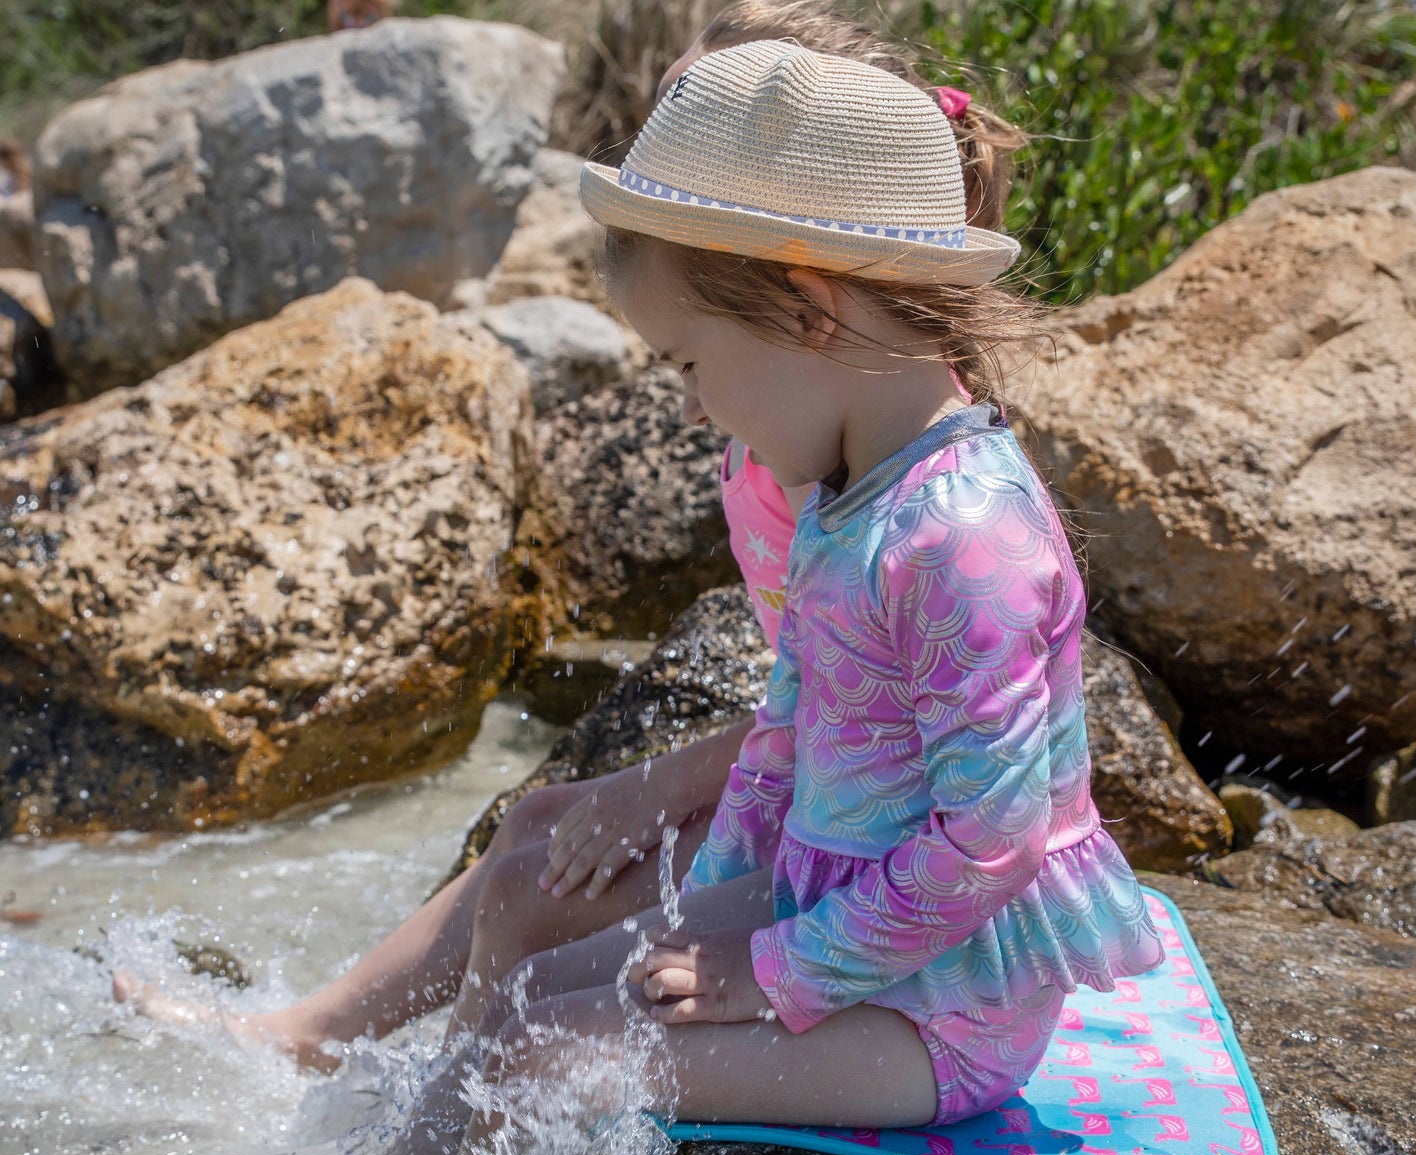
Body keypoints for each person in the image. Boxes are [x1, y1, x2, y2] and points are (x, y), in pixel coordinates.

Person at [112, 0, 1026, 1073]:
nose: (688, 403)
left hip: (864, 845)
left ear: (797, 295)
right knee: (535, 827)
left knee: (529, 903)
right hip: (826, 802)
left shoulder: (859, 478)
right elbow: (814, 706)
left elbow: (911, 763)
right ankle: (343, 1048)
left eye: (690, 130)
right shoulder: (815, 441)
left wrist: (671, 798)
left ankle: (431, 1085)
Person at [401, 39, 1164, 1155]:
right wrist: (715, 909)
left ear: (810, 310)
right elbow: (787, 730)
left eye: (690, 365)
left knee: (547, 1051)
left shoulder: (962, 536)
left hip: (943, 1013)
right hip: (835, 926)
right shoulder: (845, 495)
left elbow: (993, 840)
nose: (693, 409)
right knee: (531, 988)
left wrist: (767, 972)